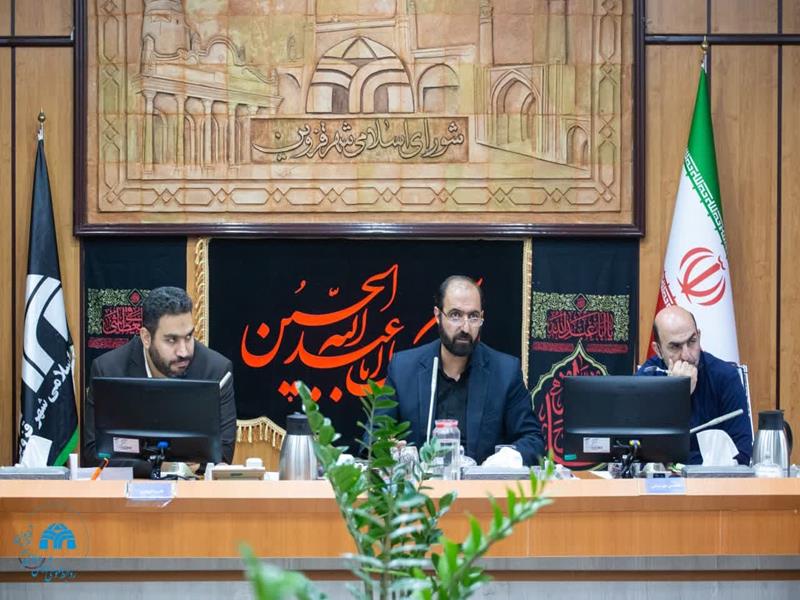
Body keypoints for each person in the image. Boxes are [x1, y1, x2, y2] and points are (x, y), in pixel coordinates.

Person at [381, 275, 545, 466]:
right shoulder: (403, 368)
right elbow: (374, 436)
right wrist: (387, 448)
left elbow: (533, 441)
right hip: (421, 483)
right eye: (455, 315)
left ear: (482, 318)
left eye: (473, 316)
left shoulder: (505, 372)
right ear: (437, 316)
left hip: (482, 483)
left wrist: (508, 457)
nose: (465, 327)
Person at [83, 286, 237, 468]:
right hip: (130, 484)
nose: (184, 351)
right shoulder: (109, 370)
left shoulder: (216, 371)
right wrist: (162, 467)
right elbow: (94, 453)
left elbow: (223, 454)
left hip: (193, 484)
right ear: (146, 338)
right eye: (171, 340)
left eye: (189, 337)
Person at [637, 305, 752, 465]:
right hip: (662, 481)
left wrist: (681, 464)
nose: (687, 356)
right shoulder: (646, 379)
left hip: (715, 480)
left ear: (699, 336)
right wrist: (676, 396)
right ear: (658, 350)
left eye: (692, 341)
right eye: (675, 346)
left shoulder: (725, 377)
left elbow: (742, 453)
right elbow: (640, 454)